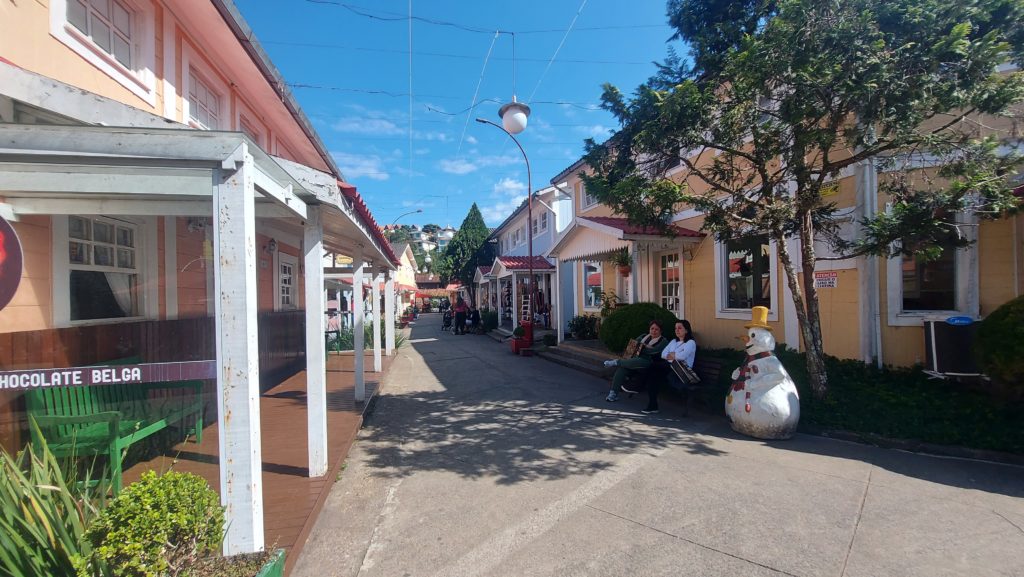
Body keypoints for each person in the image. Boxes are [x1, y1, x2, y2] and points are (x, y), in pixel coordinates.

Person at [639, 319, 697, 414]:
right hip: (669, 368)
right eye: (675, 328)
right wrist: (673, 355)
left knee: (652, 369)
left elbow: (682, 357)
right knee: (652, 373)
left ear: (686, 330)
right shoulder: (674, 341)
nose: (677, 330)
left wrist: (672, 355)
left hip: (681, 372)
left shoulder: (690, 343)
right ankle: (652, 405)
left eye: (680, 328)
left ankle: (639, 388)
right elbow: (663, 354)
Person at [603, 320, 669, 402]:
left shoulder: (663, 341)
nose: (654, 331)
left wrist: (641, 347)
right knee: (622, 369)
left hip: (649, 362)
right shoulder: (644, 336)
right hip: (635, 359)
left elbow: (654, 351)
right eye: (652, 328)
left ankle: (616, 362)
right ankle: (613, 394)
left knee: (631, 362)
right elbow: (634, 344)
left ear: (661, 331)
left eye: (656, 329)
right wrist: (644, 346)